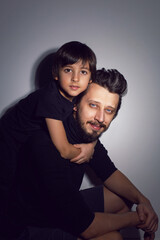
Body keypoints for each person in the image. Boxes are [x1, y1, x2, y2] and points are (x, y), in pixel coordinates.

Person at [1, 69, 158, 240]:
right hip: (25, 228)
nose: (100, 117)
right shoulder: (44, 144)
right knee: (112, 238)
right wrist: (140, 218)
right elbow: (87, 228)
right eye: (93, 105)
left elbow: (109, 172)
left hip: (55, 210)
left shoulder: (85, 133)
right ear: (75, 104)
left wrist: (143, 200)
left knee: (122, 198)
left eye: (109, 110)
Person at [0, 41, 97, 220]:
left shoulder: (77, 97)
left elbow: (91, 127)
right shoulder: (50, 98)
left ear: (90, 79)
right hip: (6, 140)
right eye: (68, 70)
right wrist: (86, 151)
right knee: (5, 188)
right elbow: (64, 149)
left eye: (83, 72)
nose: (75, 78)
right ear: (55, 74)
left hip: (24, 143)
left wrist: (92, 143)